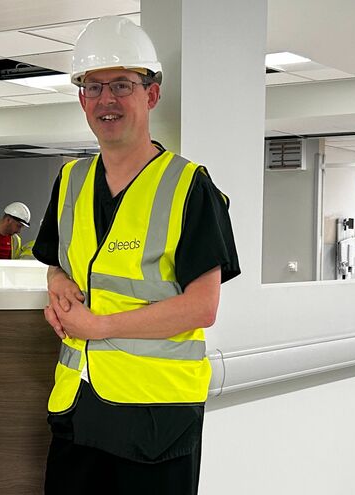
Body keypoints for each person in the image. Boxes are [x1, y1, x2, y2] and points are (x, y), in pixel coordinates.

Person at [33, 17, 240, 495]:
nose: (107, 99)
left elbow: (202, 307)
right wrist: (56, 281)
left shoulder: (190, 187)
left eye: (122, 85)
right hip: (78, 409)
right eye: (94, 86)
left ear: (152, 94)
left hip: (154, 419)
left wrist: (100, 326)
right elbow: (58, 260)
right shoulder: (70, 180)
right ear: (82, 99)